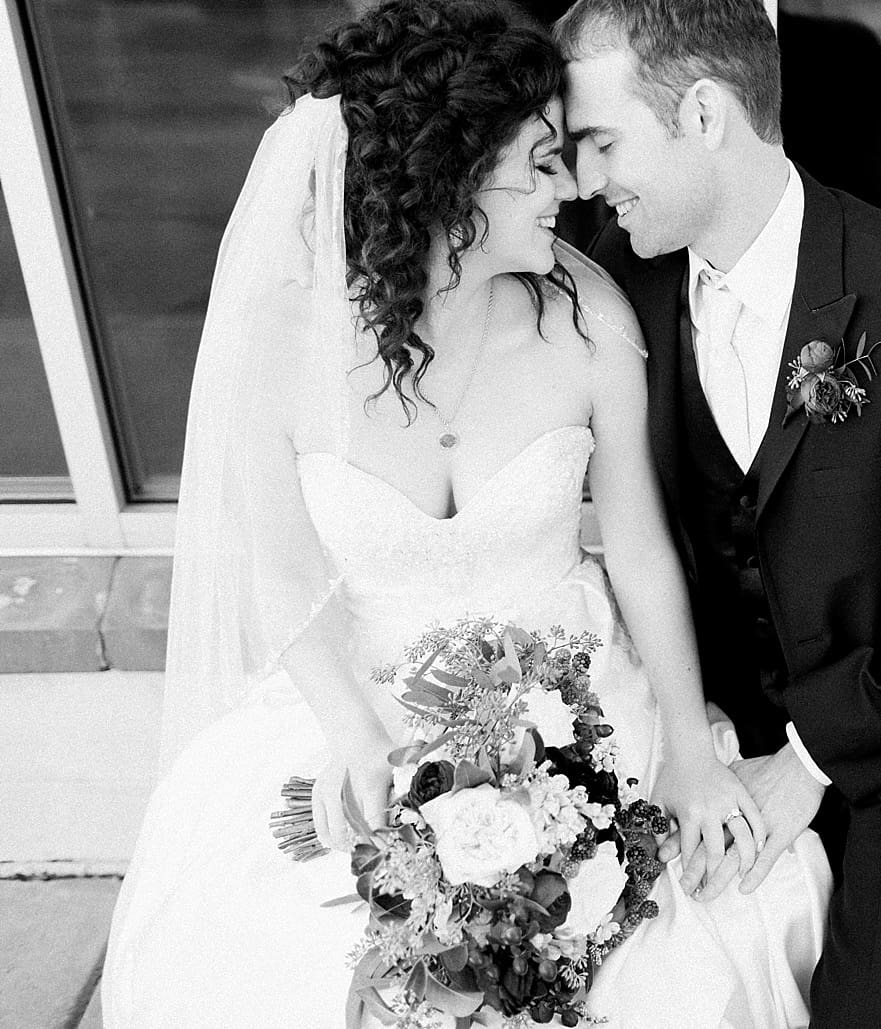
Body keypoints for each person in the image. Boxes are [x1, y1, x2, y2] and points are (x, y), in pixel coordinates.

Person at [101, 2, 829, 1026]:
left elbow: (637, 548)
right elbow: (279, 577)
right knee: (284, 954)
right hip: (363, 694)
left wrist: (688, 747)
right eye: (537, 164)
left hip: (574, 678)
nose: (571, 189)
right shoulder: (281, 341)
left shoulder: (587, 317)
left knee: (668, 945)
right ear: (444, 183)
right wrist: (355, 737)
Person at [556, 1, 881, 1026]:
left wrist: (808, 763)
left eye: (602, 142)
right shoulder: (615, 285)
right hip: (707, 725)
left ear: (703, 114)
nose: (588, 179)